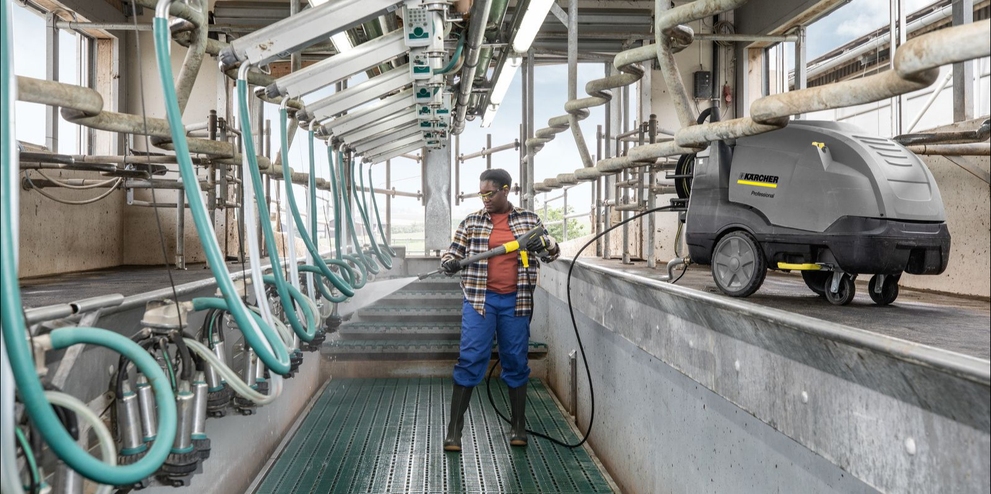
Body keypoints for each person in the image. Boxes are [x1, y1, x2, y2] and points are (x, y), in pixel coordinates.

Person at [439, 168, 560, 452]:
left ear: (506, 190)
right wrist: (448, 261)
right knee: (470, 359)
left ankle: (518, 426)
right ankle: (454, 431)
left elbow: (552, 254)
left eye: (490, 193)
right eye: (481, 193)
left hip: (515, 302)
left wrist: (546, 243)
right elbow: (453, 251)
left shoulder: (529, 220)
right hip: (480, 301)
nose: (485, 198)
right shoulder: (472, 222)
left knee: (516, 361)